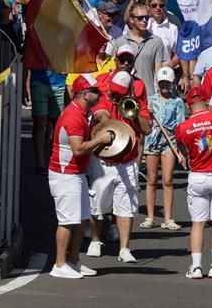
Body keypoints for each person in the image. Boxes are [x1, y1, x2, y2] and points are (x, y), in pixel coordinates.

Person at [48, 75, 111, 279]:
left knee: (82, 219)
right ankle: (59, 264)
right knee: (67, 220)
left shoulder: (84, 113)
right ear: (85, 95)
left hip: (76, 174)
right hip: (65, 175)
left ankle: (73, 261)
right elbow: (78, 149)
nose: (100, 95)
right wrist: (101, 138)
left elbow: (97, 118)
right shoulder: (73, 117)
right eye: (96, 92)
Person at [87, 70, 152, 263]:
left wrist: (133, 115)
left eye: (120, 94)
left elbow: (147, 129)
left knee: (126, 207)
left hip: (127, 162)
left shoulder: (136, 103)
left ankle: (124, 248)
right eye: (114, 93)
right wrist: (104, 116)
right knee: (97, 203)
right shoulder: (103, 98)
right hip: (103, 162)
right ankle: (96, 240)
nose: (116, 97)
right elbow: (98, 114)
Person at [177, 87, 212, 279]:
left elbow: (183, 153)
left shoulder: (183, 127)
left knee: (198, 223)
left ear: (188, 105)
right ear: (207, 101)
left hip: (198, 176)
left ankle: (196, 267)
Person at [140, 67, 186, 230]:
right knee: (151, 179)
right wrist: (146, 110)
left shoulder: (178, 102)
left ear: (173, 83)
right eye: (162, 83)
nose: (165, 85)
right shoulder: (150, 100)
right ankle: (150, 217)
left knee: (167, 180)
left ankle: (168, 218)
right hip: (152, 142)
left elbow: (180, 126)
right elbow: (143, 121)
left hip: (170, 144)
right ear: (157, 84)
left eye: (168, 82)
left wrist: (180, 150)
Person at [113, 3, 165, 94]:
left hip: (148, 94)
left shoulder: (156, 41)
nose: (144, 20)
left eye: (147, 17)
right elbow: (115, 69)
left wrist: (158, 96)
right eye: (140, 18)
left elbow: (158, 71)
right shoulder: (120, 42)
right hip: (125, 94)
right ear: (132, 19)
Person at [146, 0, 180, 71]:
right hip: (147, 70)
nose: (158, 8)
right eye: (154, 5)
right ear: (148, 6)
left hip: (166, 71)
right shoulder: (145, 25)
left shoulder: (172, 26)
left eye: (161, 5)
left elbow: (178, 52)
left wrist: (171, 64)